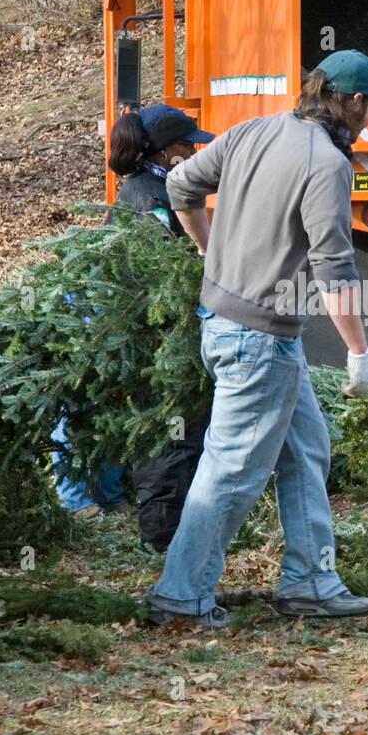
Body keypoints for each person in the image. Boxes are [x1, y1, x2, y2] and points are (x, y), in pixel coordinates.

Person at [147, 49, 368, 629]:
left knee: (306, 450)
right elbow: (335, 268)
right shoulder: (327, 162)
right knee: (231, 470)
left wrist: (211, 253)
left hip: (240, 330)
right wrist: (360, 353)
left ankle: (310, 581)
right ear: (352, 100)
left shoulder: (252, 130)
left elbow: (179, 185)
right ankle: (180, 596)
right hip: (258, 341)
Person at [104, 103, 218, 552]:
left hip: (161, 334)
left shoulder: (148, 186)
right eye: (187, 143)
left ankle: (171, 533)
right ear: (165, 148)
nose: (194, 150)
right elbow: (160, 275)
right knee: (172, 439)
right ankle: (162, 541)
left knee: (178, 434)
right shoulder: (150, 195)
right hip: (159, 339)